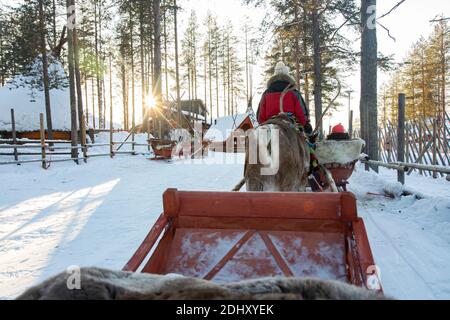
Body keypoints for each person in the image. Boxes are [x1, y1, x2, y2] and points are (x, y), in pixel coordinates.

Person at [256, 62, 312, 134]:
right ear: (287, 75)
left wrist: (263, 126)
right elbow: (301, 112)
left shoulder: (266, 94)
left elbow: (260, 116)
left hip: (270, 126)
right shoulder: (293, 92)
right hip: (290, 124)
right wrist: (305, 125)